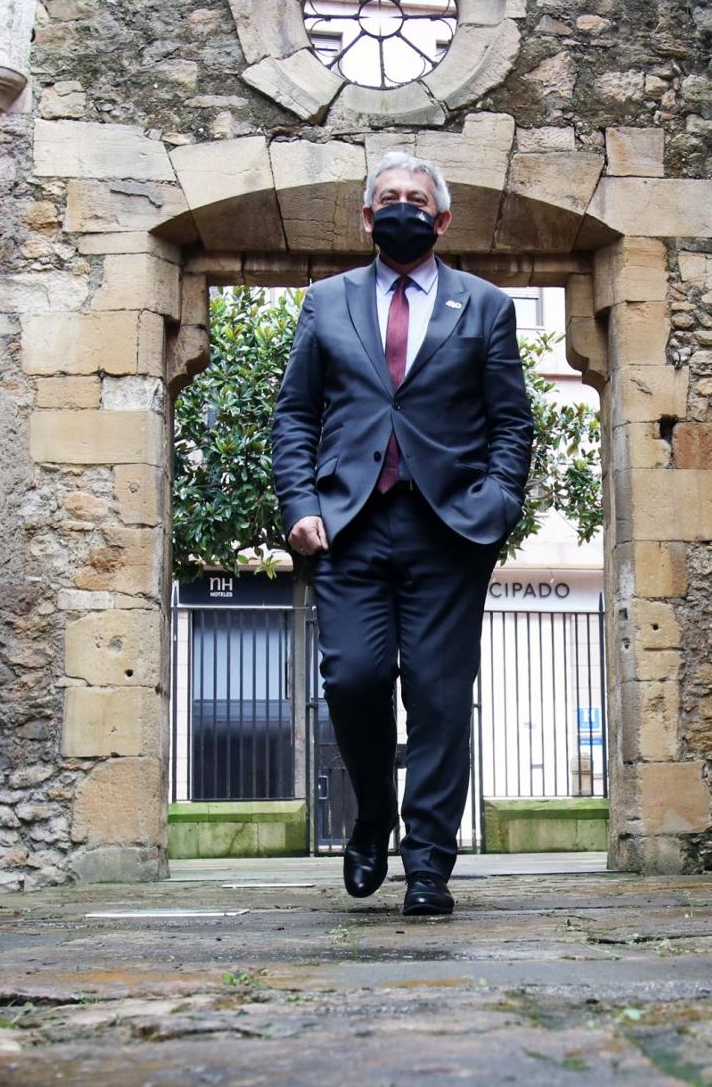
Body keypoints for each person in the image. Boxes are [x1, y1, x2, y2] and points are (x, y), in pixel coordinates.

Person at [272, 151, 533, 916]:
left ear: (442, 218)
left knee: (439, 698)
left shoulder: (484, 305)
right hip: (348, 526)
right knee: (352, 679)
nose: (402, 208)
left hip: (449, 529)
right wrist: (300, 501)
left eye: (416, 200)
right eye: (387, 198)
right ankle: (374, 818)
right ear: (365, 216)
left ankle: (428, 865)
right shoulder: (327, 301)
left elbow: (512, 421)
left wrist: (497, 504)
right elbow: (295, 413)